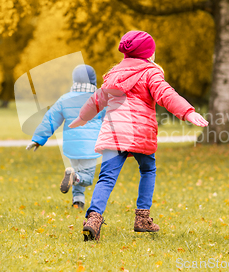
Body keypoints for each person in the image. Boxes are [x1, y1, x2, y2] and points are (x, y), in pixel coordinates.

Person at [69, 30, 209, 241]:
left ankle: (93, 219)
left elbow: (97, 99)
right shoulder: (150, 72)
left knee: (106, 178)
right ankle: (142, 218)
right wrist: (188, 112)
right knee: (148, 169)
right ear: (148, 54)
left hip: (114, 133)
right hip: (138, 133)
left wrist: (82, 117)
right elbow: (166, 94)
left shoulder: (114, 73)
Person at [26, 65, 105, 210]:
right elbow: (111, 120)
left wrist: (38, 139)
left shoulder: (64, 99)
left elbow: (50, 119)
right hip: (91, 146)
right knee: (85, 178)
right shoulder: (99, 99)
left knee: (76, 170)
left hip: (71, 147)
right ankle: (74, 178)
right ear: (93, 80)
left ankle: (77, 202)